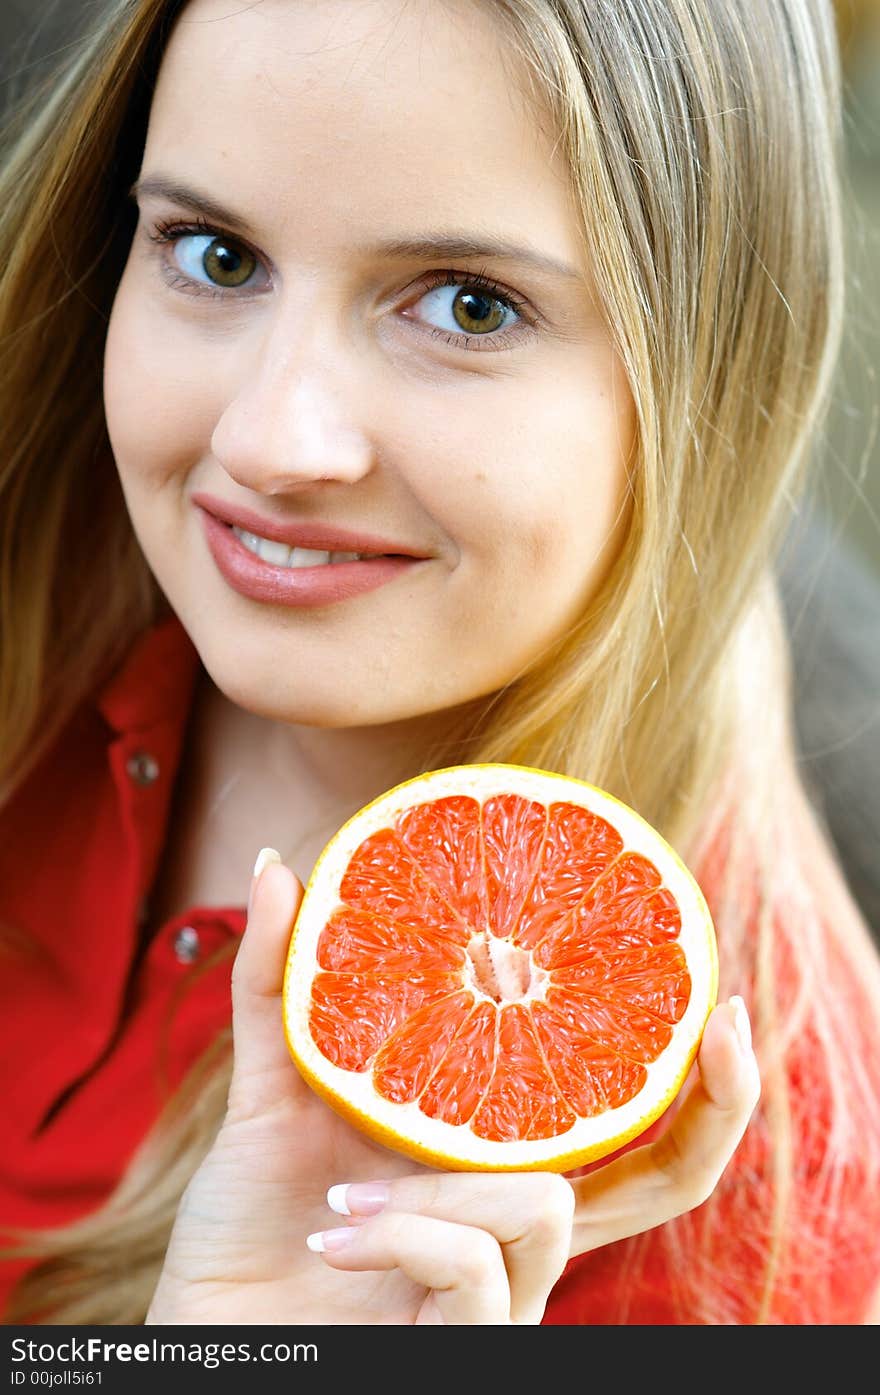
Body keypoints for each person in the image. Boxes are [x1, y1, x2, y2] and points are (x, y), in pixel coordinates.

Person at [0, 0, 877, 1327]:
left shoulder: (736, 1232)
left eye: (469, 304)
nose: (271, 439)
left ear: (701, 381)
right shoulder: (47, 575)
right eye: (217, 253)